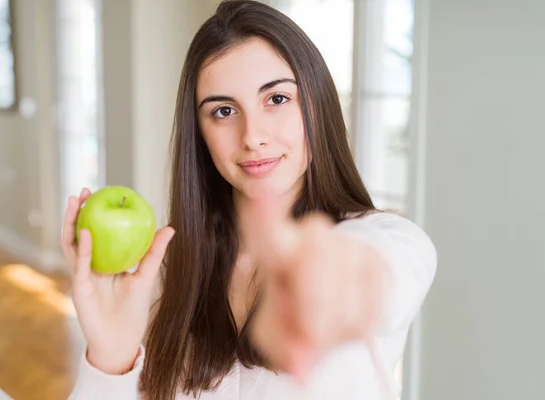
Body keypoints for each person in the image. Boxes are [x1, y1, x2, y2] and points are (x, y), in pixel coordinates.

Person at [62, 1, 437, 399]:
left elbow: (383, 269)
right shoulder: (166, 273)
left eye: (276, 99)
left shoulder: (390, 240)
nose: (252, 135)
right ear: (200, 133)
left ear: (317, 104)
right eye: (223, 110)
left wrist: (335, 276)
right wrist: (110, 359)